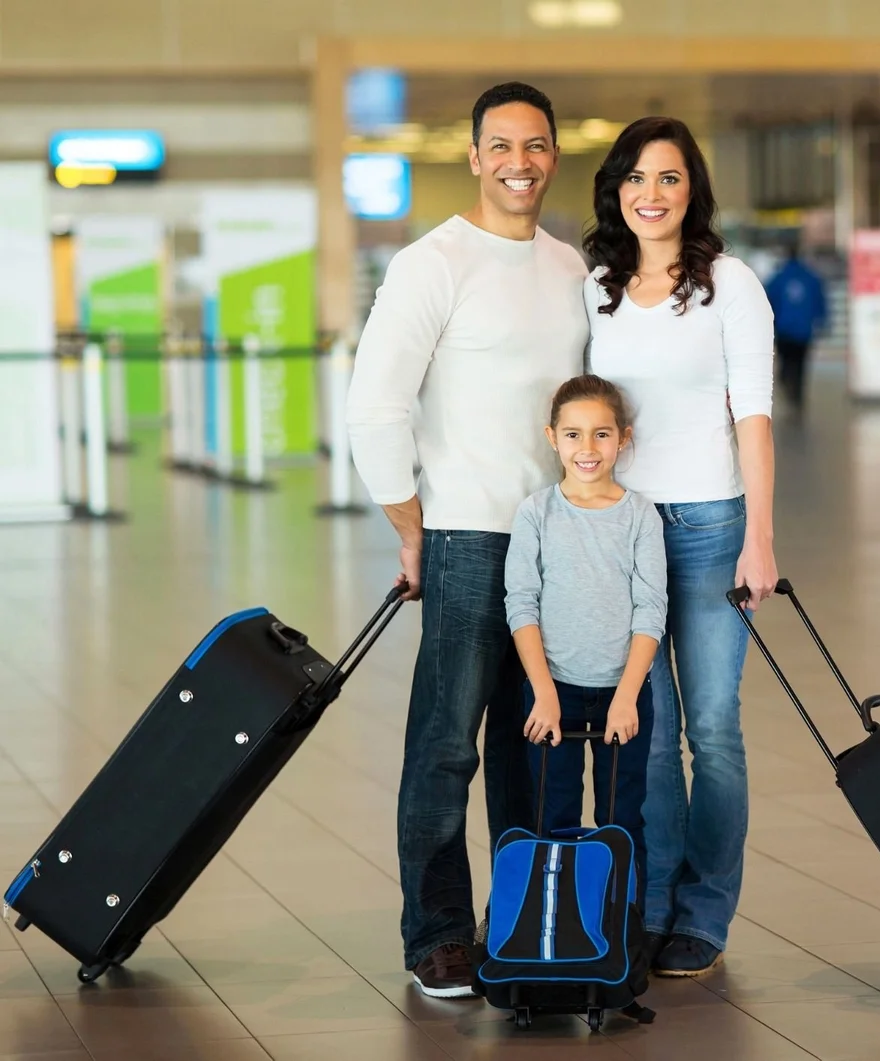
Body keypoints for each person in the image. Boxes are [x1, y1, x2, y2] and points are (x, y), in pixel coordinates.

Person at [345, 81, 589, 998]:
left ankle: (522, 922)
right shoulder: (432, 262)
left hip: (558, 546)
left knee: (537, 746)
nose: (519, 162)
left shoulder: (571, 270)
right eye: (502, 146)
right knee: (446, 746)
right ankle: (439, 933)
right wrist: (412, 526)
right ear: (476, 155)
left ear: (552, 155)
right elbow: (376, 406)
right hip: (465, 539)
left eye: (536, 145)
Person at [582, 116, 778, 977]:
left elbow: (754, 415)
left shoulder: (729, 284)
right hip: (622, 528)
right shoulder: (595, 287)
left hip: (708, 527)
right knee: (646, 733)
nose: (649, 194)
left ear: (691, 188)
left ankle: (704, 911)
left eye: (666, 178)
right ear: (615, 191)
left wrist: (761, 538)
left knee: (713, 727)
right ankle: (651, 903)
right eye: (634, 178)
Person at [508, 374, 667, 894]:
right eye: (573, 434)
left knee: (622, 821)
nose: (588, 448)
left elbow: (650, 609)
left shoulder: (640, 516)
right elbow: (521, 605)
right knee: (551, 818)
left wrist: (626, 698)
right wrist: (545, 694)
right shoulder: (536, 513)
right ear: (552, 438)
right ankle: (555, 933)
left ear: (624, 438)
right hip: (553, 692)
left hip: (623, 694)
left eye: (602, 434)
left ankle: (622, 935)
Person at [763, 241, 827, 414]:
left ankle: (786, 383)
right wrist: (821, 321)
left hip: (784, 329)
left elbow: (768, 301)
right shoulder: (811, 277)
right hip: (804, 330)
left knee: (786, 361)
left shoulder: (778, 277)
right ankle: (797, 394)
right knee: (800, 363)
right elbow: (820, 301)